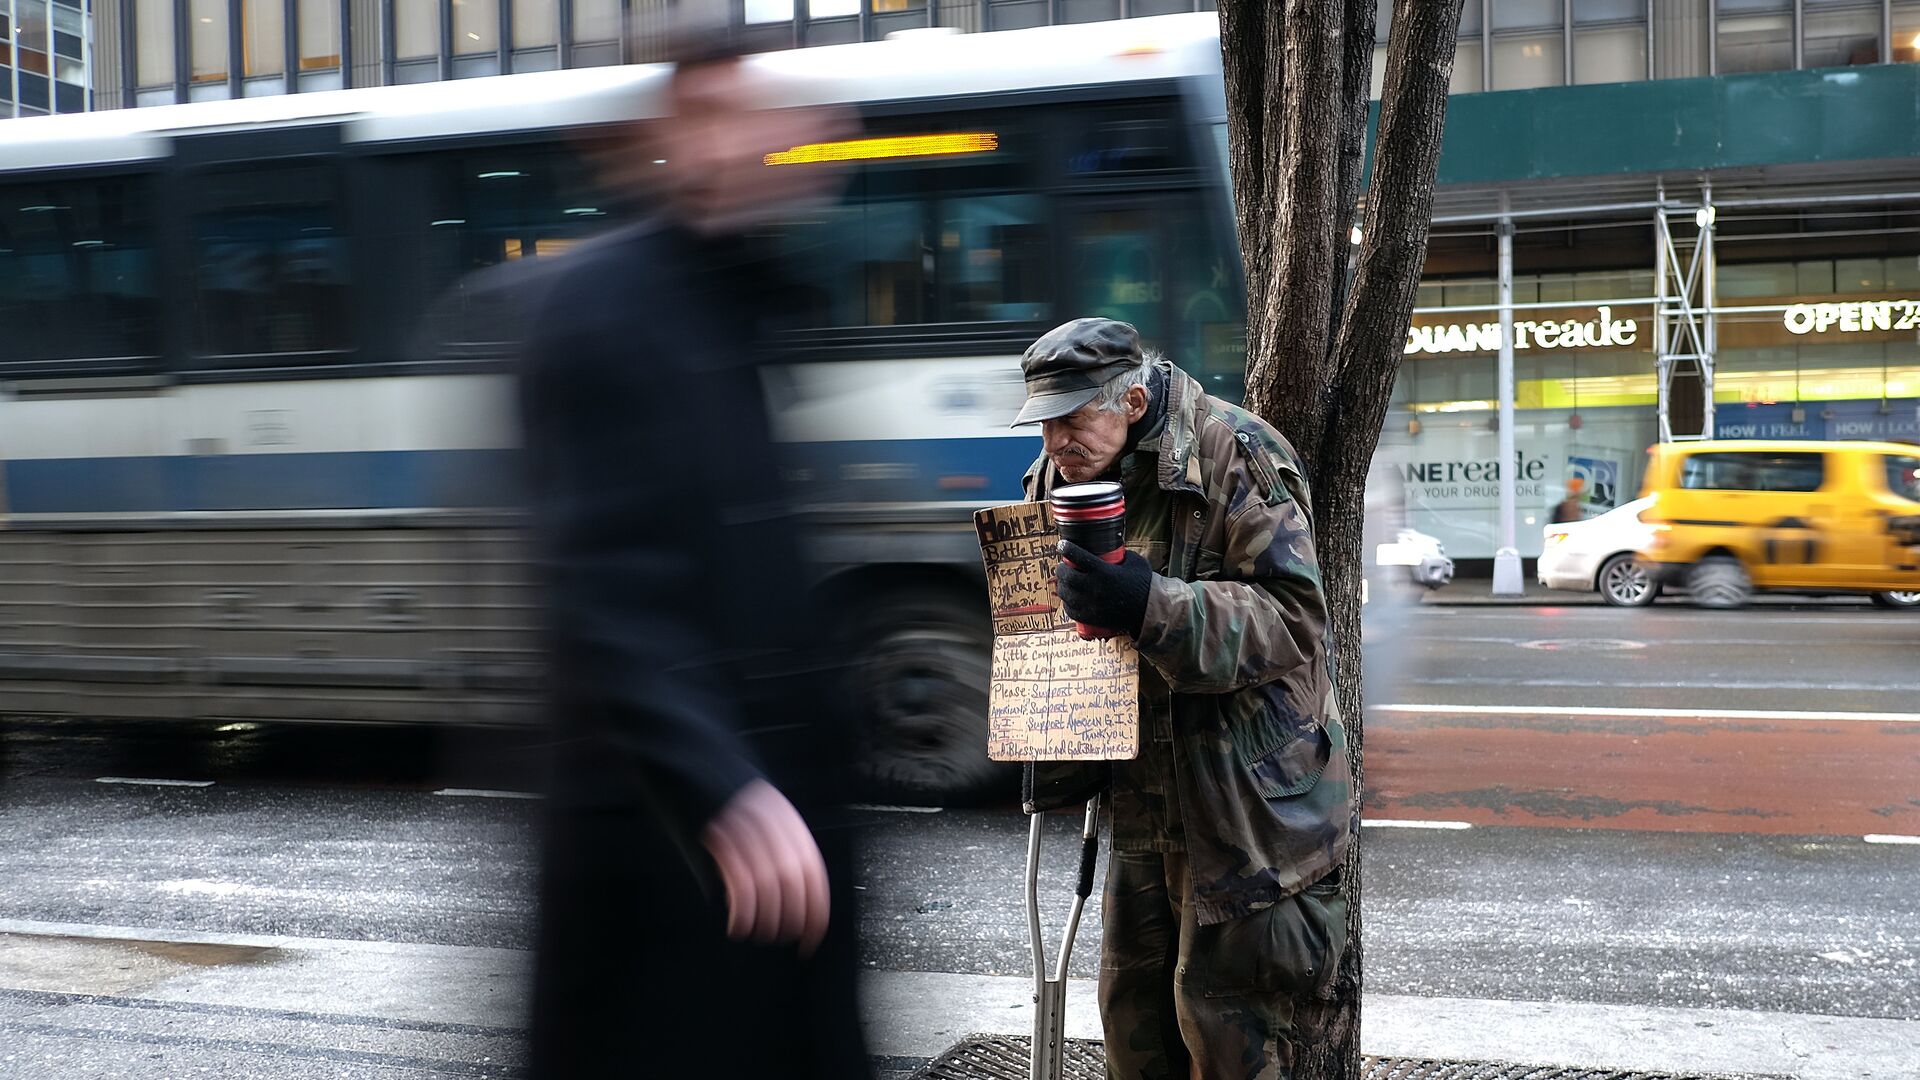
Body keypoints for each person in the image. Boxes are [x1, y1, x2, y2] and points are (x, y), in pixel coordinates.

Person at [515, 34, 866, 1080]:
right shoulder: (602, 305)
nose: (758, 141)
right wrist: (721, 787)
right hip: (667, 846)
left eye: (767, 117)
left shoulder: (745, 295)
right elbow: (599, 585)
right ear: (672, 140)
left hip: (769, 831)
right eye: (720, 116)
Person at [1013, 318, 1356, 1080]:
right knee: (1137, 1040)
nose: (1053, 446)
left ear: (1132, 400)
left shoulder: (1238, 451)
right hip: (1141, 802)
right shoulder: (1055, 479)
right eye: (1044, 425)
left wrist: (1150, 605)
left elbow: (1294, 619)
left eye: (1072, 421)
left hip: (1247, 815)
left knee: (1237, 1042)